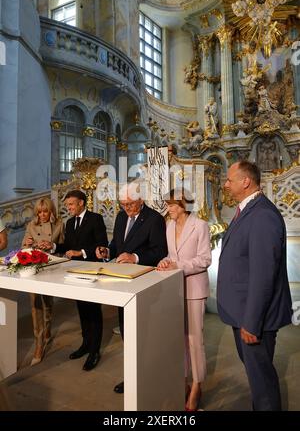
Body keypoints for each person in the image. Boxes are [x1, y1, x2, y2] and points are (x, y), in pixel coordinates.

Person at [217, 161, 292, 411]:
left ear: (245, 181)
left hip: (253, 318)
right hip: (243, 311)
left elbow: (263, 275)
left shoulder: (262, 215)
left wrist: (251, 321)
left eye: (229, 180)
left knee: (262, 383)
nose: (225, 184)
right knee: (257, 377)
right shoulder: (247, 210)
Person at [96, 181, 168, 393]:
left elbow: (159, 252)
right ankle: (132, 375)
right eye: (123, 204)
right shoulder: (120, 216)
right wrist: (107, 251)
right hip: (122, 283)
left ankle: (146, 375)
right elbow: (118, 246)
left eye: (130, 204)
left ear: (141, 200)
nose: (126, 209)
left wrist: (135, 256)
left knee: (143, 334)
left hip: (144, 284)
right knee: (128, 332)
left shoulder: (154, 219)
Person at [157, 189, 211, 411]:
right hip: (175, 290)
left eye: (171, 205)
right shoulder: (169, 226)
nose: (168, 209)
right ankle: (185, 381)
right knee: (179, 341)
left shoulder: (200, 226)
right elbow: (172, 256)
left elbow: (205, 259)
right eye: (168, 205)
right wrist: (164, 262)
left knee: (194, 341)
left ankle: (197, 387)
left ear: (184, 205)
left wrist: (178, 266)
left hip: (195, 289)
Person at [44, 190, 108, 371]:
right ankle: (85, 344)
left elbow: (101, 244)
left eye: (71, 204)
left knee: (93, 311)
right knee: (82, 309)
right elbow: (69, 247)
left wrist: (82, 253)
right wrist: (54, 246)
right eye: (67, 205)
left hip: (92, 270)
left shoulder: (95, 219)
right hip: (74, 272)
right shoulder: (70, 223)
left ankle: (95, 351)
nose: (68, 208)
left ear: (81, 203)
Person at [22, 198, 65, 365]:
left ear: (51, 211)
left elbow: (63, 247)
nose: (42, 215)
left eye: (45, 211)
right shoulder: (31, 225)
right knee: (35, 305)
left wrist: (52, 246)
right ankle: (39, 343)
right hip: (34, 268)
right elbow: (23, 248)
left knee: (48, 303)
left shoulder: (60, 224)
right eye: (39, 212)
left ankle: (47, 330)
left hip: (51, 267)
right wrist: (27, 244)